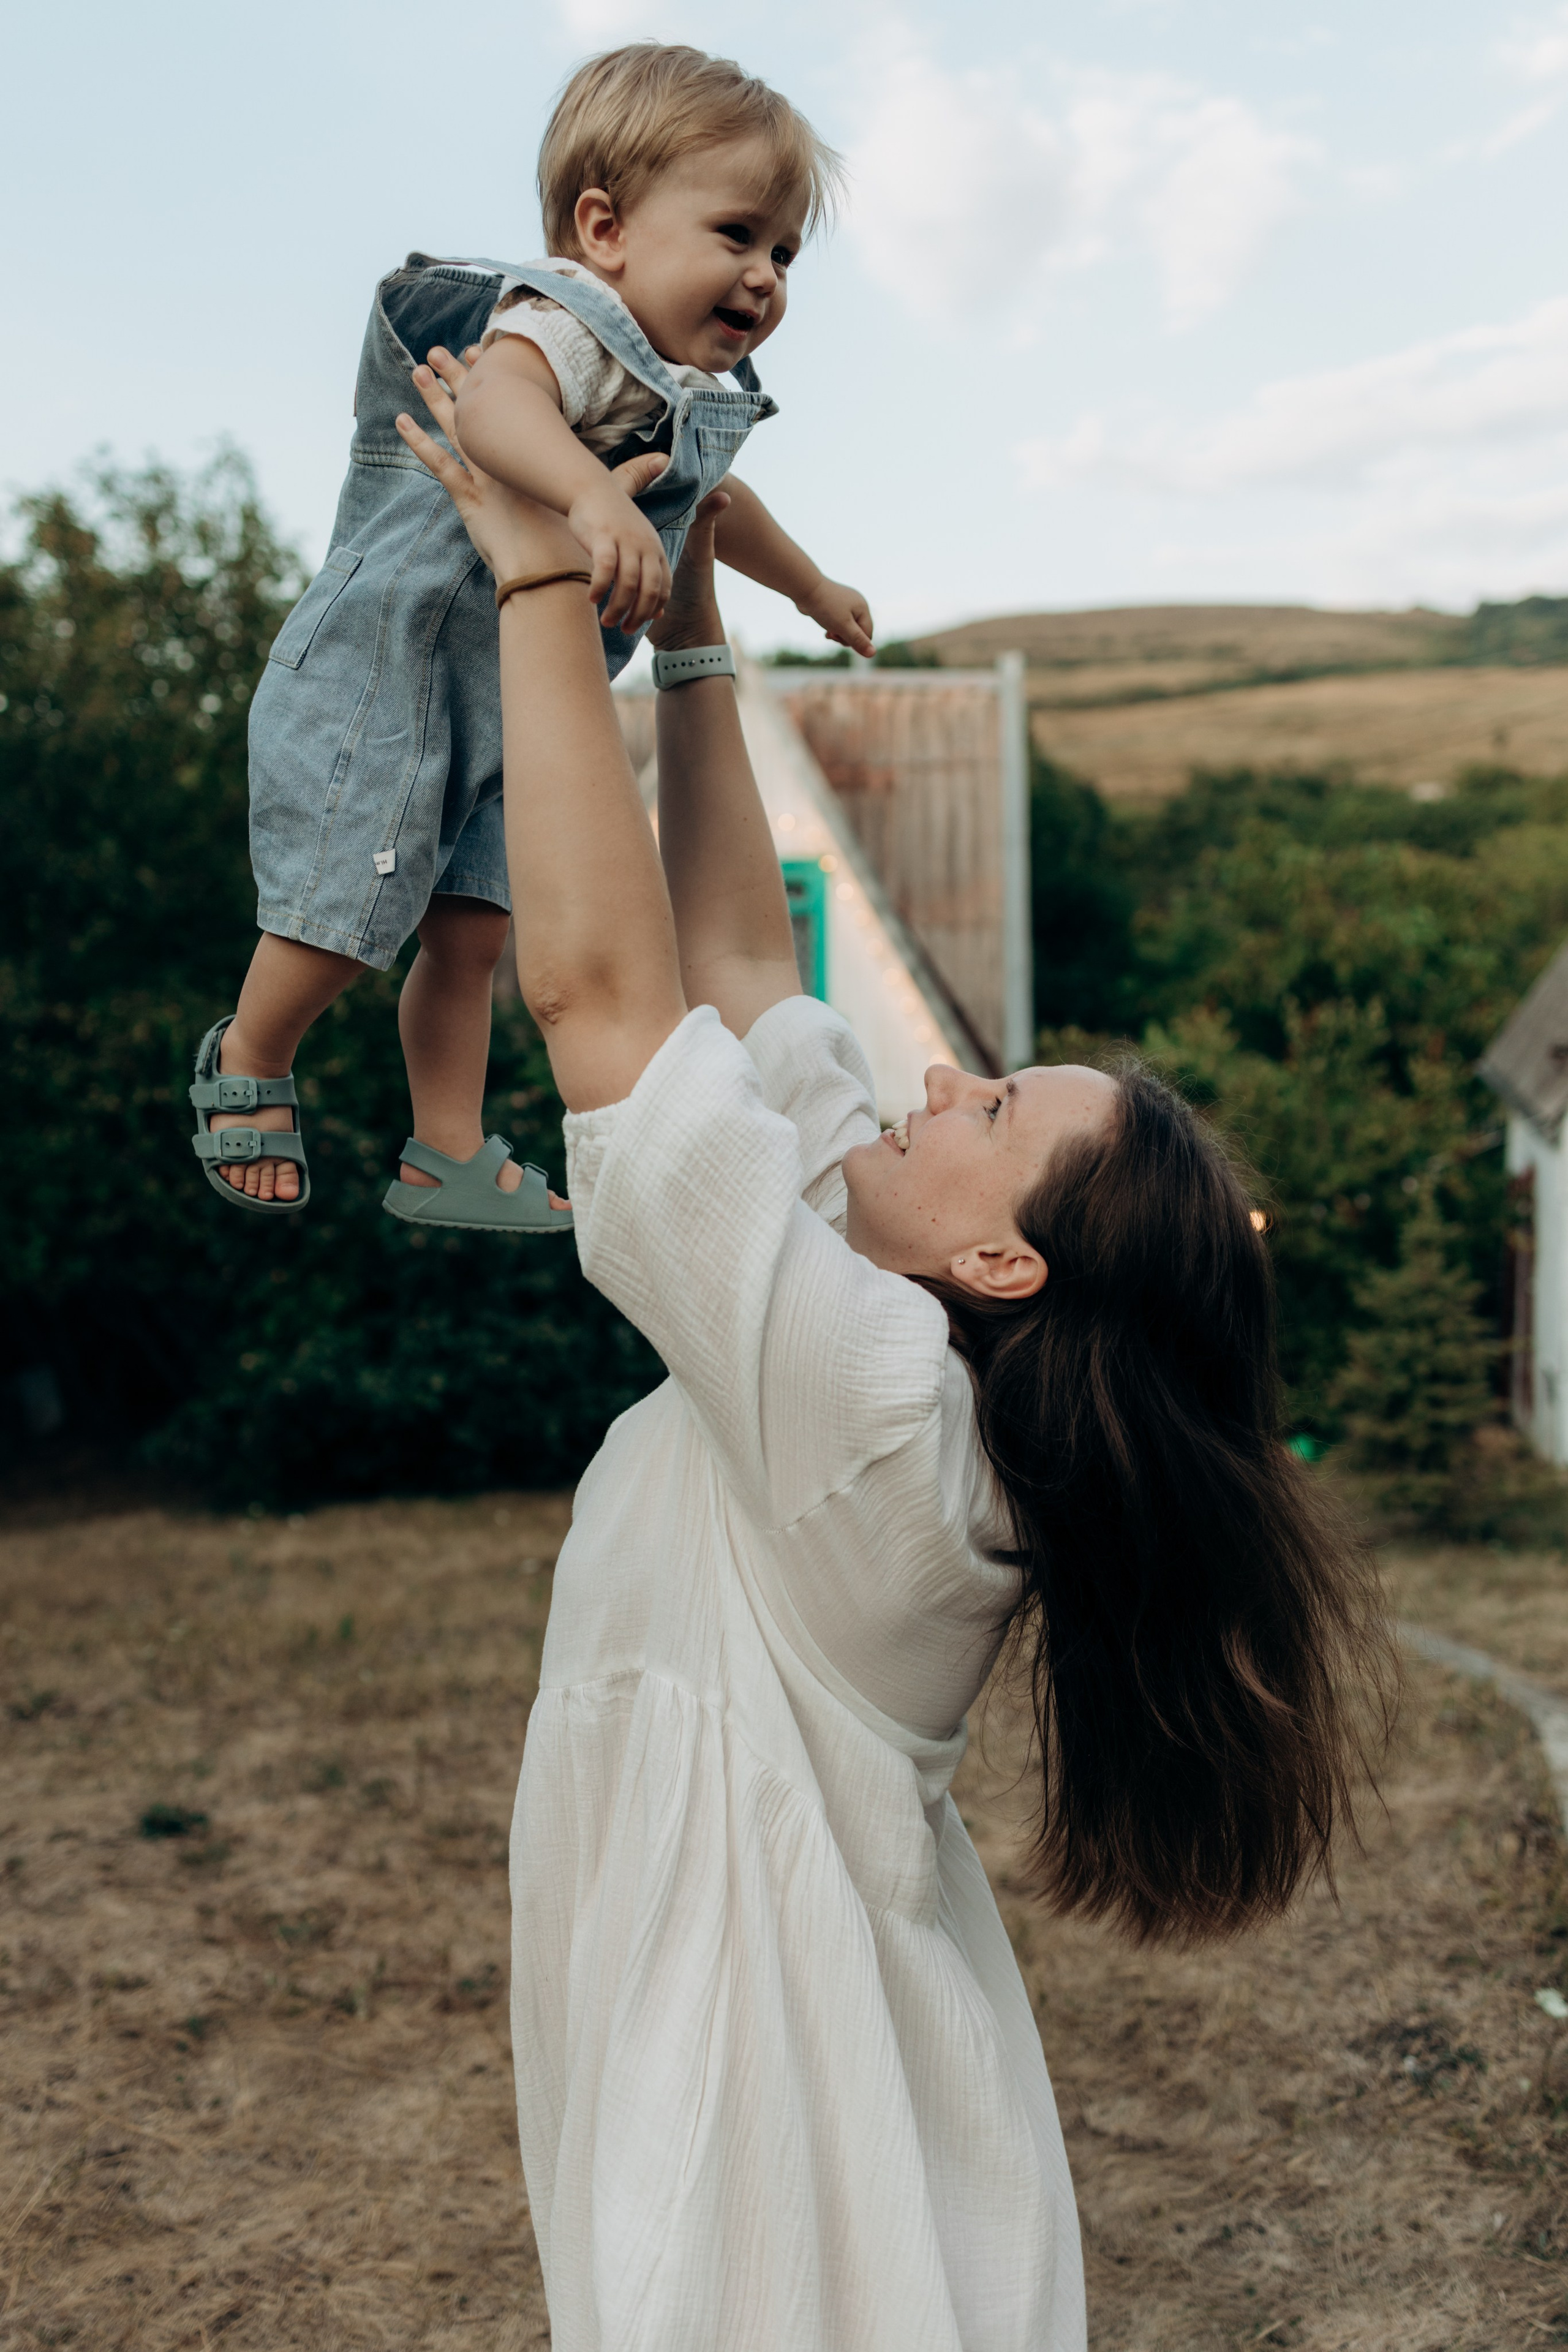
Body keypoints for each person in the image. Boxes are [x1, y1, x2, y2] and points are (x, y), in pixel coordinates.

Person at [397, 355, 1392, 2350]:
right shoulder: (900, 1334)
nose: (947, 1085)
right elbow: (748, 963)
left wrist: (534, 584)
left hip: (758, 2064)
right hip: (763, 1977)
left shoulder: (861, 1405)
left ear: (1009, 1264)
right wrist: (683, 620)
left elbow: (604, 1004)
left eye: (999, 1110)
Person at [190, 42, 868, 1231]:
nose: (763, 277)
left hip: (516, 704)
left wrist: (809, 588)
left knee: (474, 934)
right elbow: (499, 409)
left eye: (783, 253)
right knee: (347, 915)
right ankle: (248, 1051)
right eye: (736, 235)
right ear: (603, 227)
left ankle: (442, 1151)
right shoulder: (558, 321)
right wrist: (595, 494)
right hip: (391, 674)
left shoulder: (690, 392)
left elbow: (717, 503)